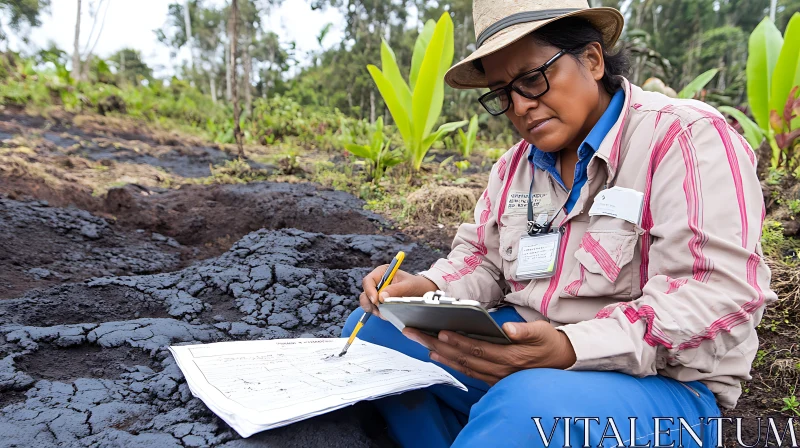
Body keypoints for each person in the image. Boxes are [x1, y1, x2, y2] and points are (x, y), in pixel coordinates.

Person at [342, 1, 776, 446]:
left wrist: (570, 349)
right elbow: (483, 262)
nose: (519, 106)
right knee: (376, 336)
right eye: (502, 93)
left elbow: (715, 294)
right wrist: (426, 288)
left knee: (529, 404)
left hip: (662, 383)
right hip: (527, 353)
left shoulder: (684, 138)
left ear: (591, 59)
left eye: (532, 79)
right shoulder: (515, 167)